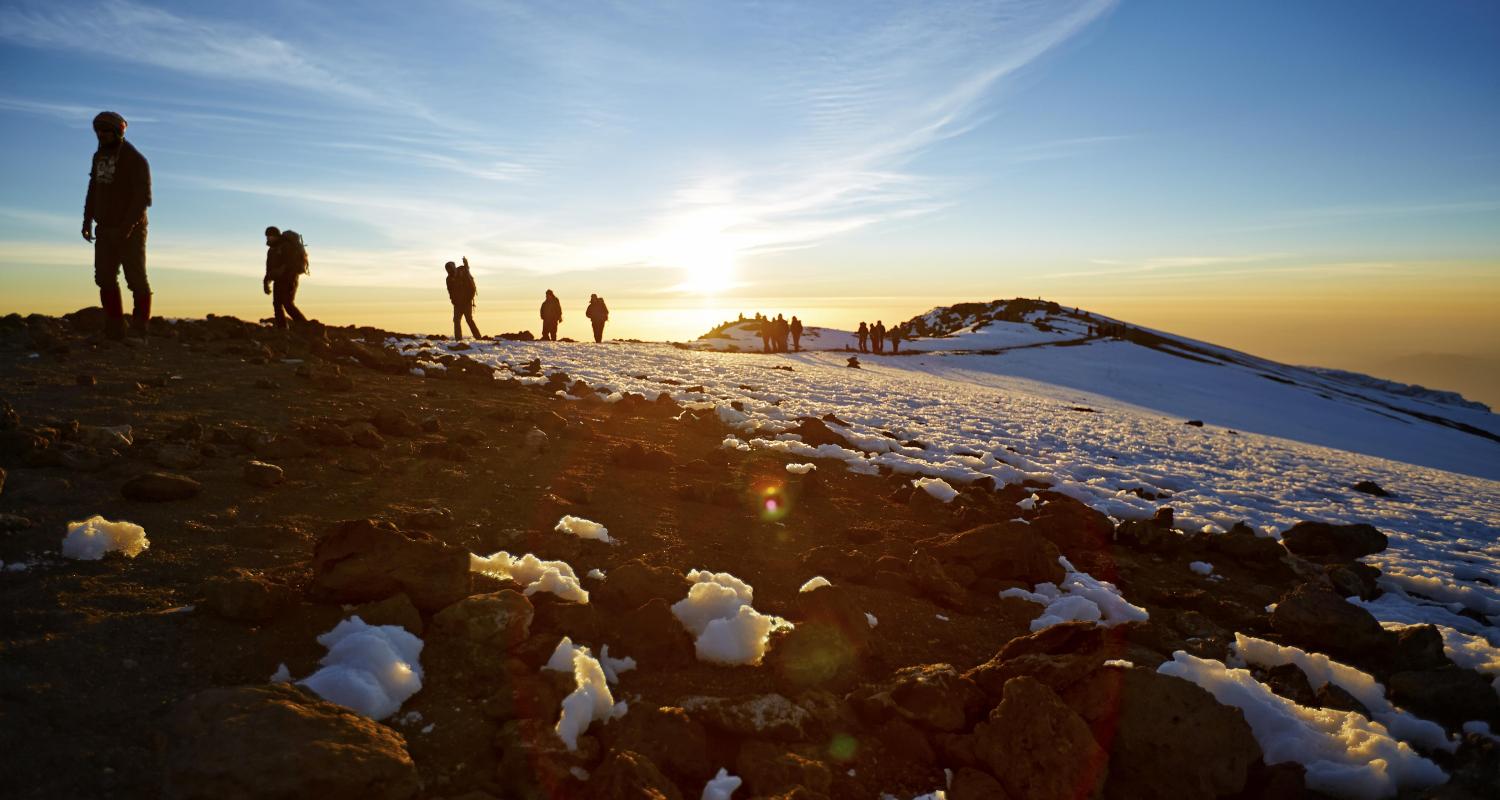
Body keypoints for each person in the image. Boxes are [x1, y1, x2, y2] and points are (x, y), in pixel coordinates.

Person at [82, 111, 151, 339]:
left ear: (118, 131)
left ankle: (140, 326)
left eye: (106, 131)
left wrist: (127, 228)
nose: (101, 135)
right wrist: (87, 219)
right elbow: (94, 188)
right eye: (98, 131)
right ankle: (114, 325)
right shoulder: (98, 156)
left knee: (136, 278)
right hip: (104, 227)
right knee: (103, 277)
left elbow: (142, 198)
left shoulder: (135, 159)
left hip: (130, 229)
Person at [261, 227, 310, 329]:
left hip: (290, 279)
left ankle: (305, 327)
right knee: (277, 304)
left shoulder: (286, 246)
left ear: (275, 236)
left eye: (269, 236)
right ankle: (282, 329)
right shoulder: (271, 250)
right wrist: (266, 282)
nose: (267, 238)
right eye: (267, 236)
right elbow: (269, 268)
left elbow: (290, 264)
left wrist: (283, 274)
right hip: (278, 280)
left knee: (287, 304)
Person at [446, 258, 480, 340]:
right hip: (457, 304)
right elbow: (450, 291)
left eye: (450, 269)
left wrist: (469, 299)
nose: (449, 271)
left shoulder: (462, 273)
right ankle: (458, 340)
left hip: (466, 302)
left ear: (453, 268)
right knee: (457, 321)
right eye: (448, 270)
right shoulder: (449, 279)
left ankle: (478, 338)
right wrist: (453, 301)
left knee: (469, 320)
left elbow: (472, 287)